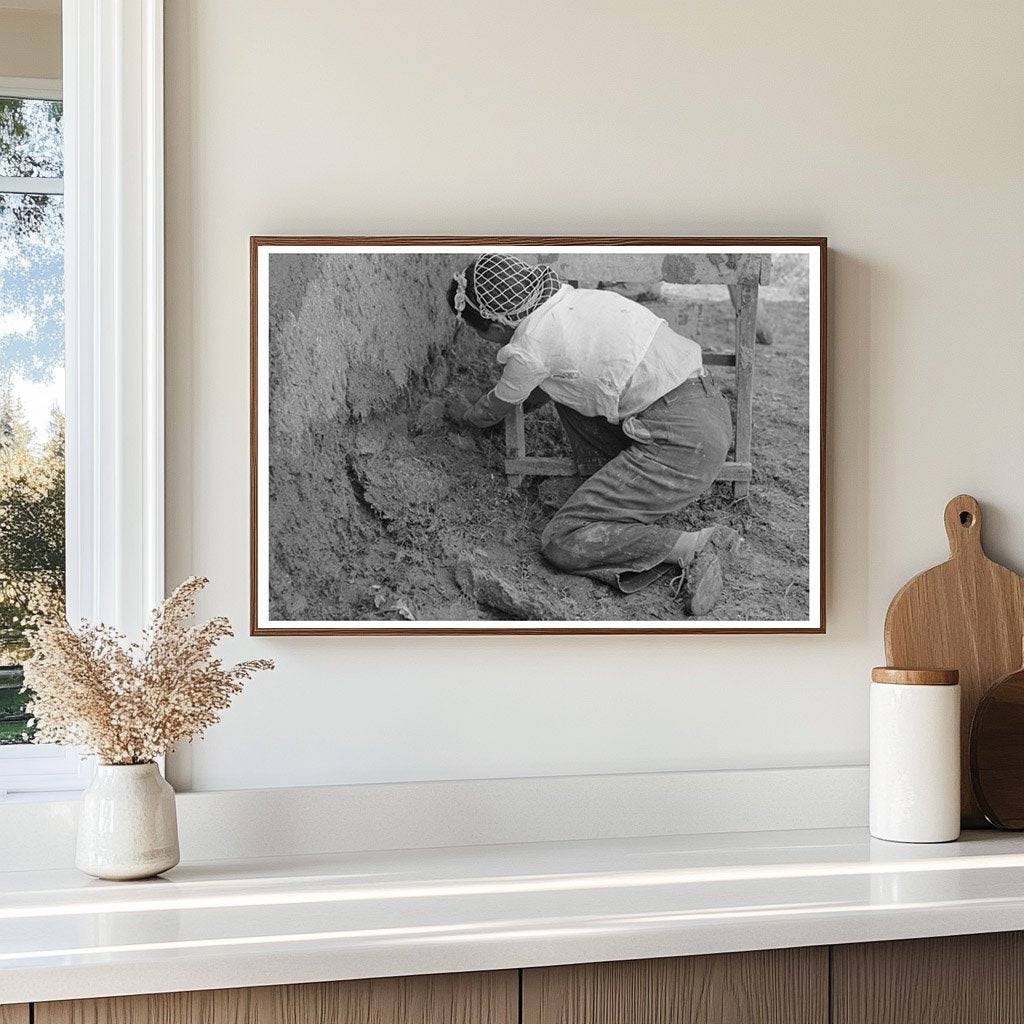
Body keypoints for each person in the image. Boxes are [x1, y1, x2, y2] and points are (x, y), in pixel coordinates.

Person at [445, 253, 741, 616]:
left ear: (492, 326)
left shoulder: (530, 349)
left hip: (681, 442)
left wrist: (464, 415)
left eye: (480, 333)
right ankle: (607, 491)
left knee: (561, 540)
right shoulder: (572, 301)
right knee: (564, 389)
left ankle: (694, 546)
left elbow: (497, 405)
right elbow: (536, 390)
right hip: (706, 408)